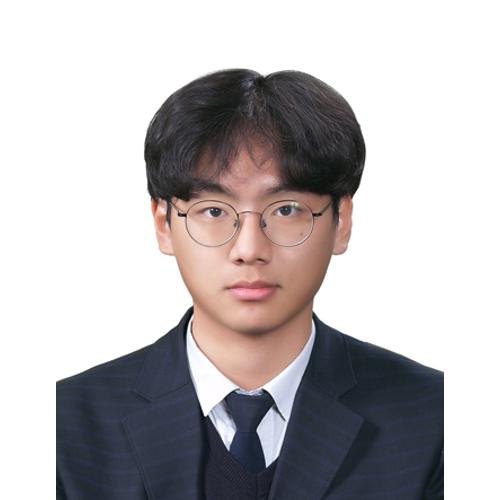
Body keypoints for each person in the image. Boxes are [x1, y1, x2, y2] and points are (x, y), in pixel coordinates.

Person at [56, 69, 443, 499]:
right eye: (214, 211)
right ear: (164, 224)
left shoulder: (435, 420)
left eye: (287, 209)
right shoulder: (65, 427)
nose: (249, 249)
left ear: (341, 222)